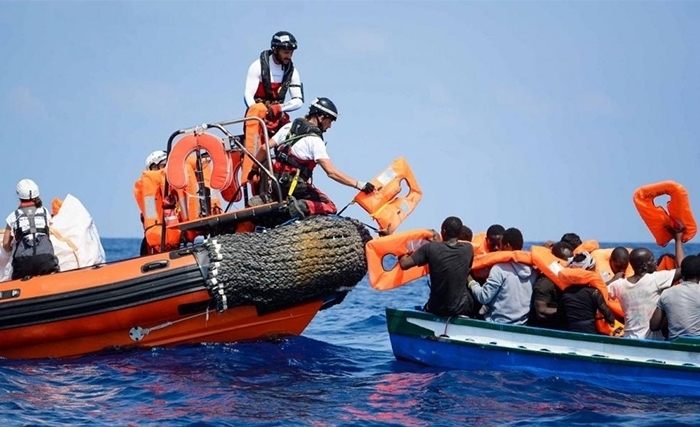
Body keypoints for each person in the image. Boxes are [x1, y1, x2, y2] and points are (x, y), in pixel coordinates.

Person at [251, 97, 375, 218]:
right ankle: (301, 206)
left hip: (275, 183)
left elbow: (263, 148)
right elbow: (331, 172)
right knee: (330, 206)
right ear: (321, 117)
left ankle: (269, 198)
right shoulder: (315, 141)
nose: (330, 126)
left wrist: (254, 169)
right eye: (330, 121)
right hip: (295, 187)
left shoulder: (289, 128)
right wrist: (359, 184)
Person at [242, 31, 304, 184]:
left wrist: (280, 108)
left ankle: (290, 182)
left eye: (291, 53)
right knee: (257, 148)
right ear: (275, 50)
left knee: (293, 141)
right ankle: (251, 177)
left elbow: (298, 100)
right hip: (258, 117)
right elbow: (247, 95)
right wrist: (258, 113)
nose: (289, 56)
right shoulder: (257, 66)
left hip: (278, 117)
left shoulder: (293, 72)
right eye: (285, 52)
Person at [609, 228, 685, 340]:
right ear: (644, 266)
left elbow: (597, 291)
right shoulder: (655, 279)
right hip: (652, 341)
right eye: (652, 260)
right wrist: (678, 240)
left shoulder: (618, 285)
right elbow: (684, 268)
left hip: (629, 339)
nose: (655, 262)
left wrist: (614, 279)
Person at [399, 216, 476, 317]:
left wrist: (400, 251)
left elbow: (404, 264)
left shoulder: (430, 248)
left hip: (436, 308)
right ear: (459, 233)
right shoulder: (468, 249)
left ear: (443, 231)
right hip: (461, 308)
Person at [468, 227, 536, 325]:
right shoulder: (534, 270)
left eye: (500, 245)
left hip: (496, 323)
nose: (497, 249)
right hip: (522, 324)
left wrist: (471, 282)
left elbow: (483, 297)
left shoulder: (499, 269)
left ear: (507, 246)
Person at [2, 179, 59, 280]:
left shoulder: (13, 216)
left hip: (23, 263)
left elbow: (6, 244)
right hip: (45, 260)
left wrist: (12, 249)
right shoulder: (45, 212)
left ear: (19, 196)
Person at [134, 150, 182, 255]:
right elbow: (150, 213)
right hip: (155, 242)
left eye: (163, 166)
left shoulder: (178, 186)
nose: (160, 171)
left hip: (178, 239)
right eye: (155, 168)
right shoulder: (149, 195)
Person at [558, 252, 615, 334]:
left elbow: (560, 316)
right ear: (587, 270)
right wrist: (612, 321)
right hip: (590, 331)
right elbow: (607, 314)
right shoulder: (594, 292)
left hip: (571, 330)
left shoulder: (565, 293)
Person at [650, 255, 700, 340]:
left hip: (675, 345)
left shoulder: (667, 293)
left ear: (681, 273)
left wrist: (669, 310)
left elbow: (654, 326)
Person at [529, 241, 573, 329]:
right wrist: (568, 312)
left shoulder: (572, 280)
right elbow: (541, 311)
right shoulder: (545, 283)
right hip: (546, 329)